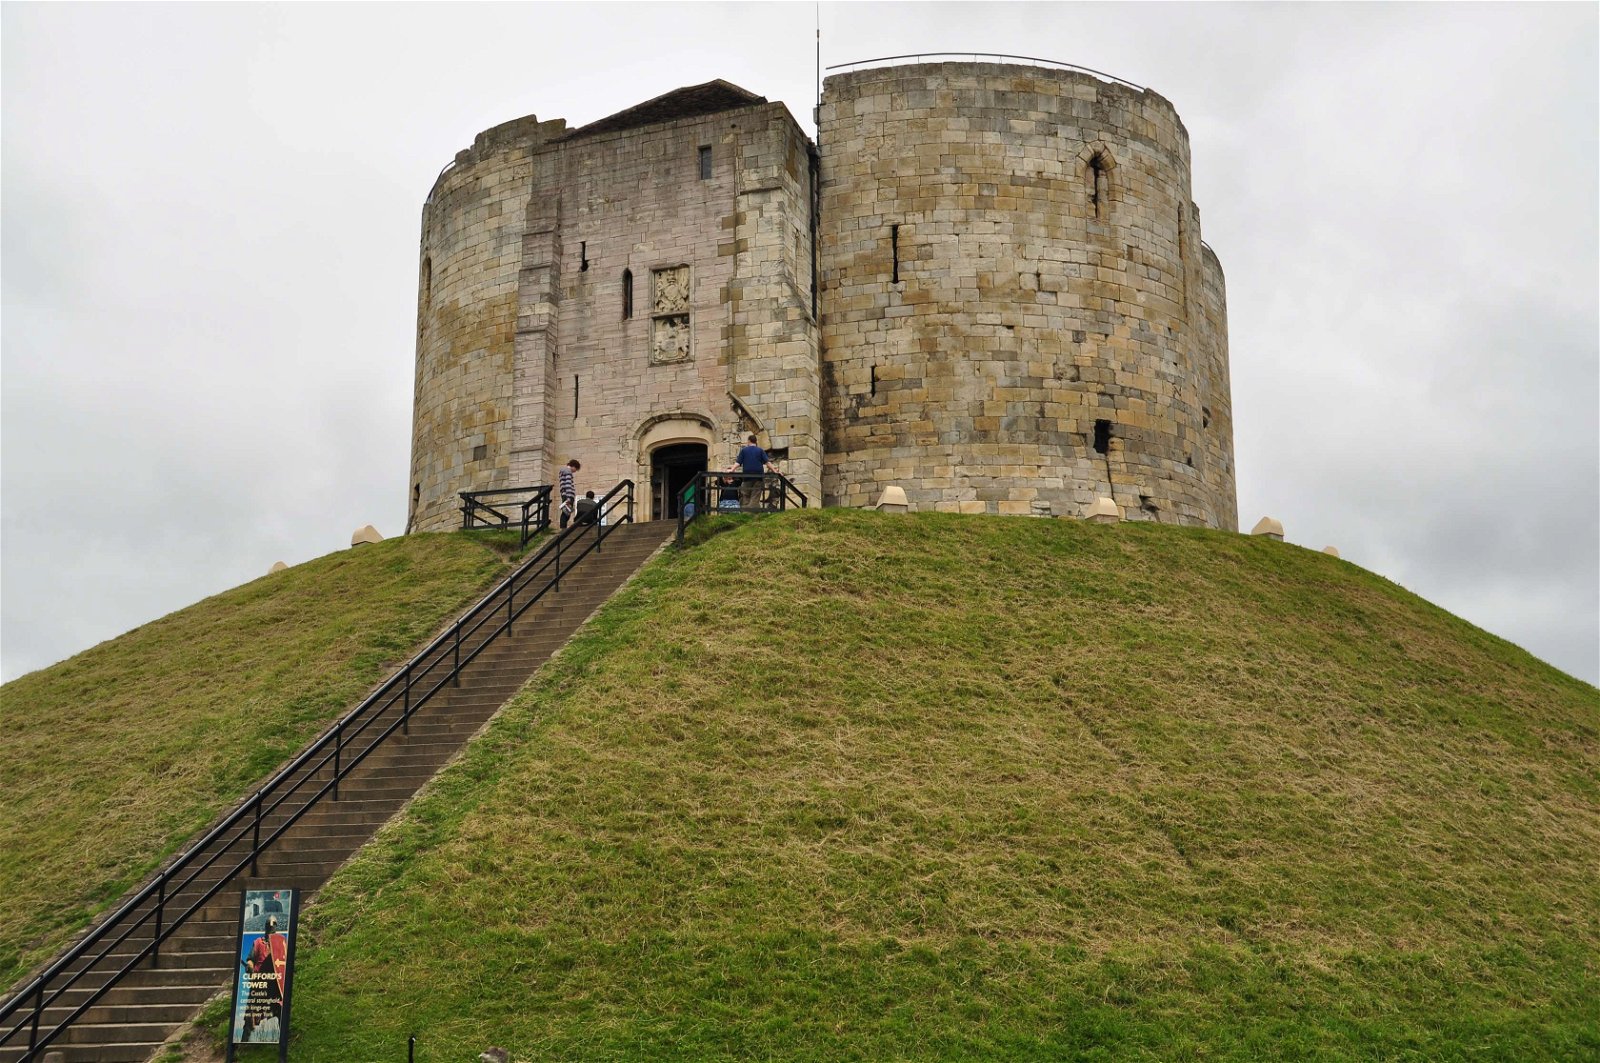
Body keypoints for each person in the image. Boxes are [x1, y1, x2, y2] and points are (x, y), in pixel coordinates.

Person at [240, 915, 287, 1041]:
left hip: (274, 984)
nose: (271, 927)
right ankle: (244, 1042)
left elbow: (284, 960)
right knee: (251, 1014)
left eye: (273, 925)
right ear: (266, 926)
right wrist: (249, 966)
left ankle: (284, 1039)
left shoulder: (281, 942)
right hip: (260, 982)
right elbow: (250, 959)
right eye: (269, 925)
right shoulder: (258, 942)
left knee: (280, 1009)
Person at [735, 434, 771, 510]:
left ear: (749, 441)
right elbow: (768, 463)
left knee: (745, 494)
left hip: (747, 476)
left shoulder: (744, 450)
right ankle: (753, 512)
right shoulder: (760, 450)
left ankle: (746, 512)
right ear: (756, 441)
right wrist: (775, 470)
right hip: (758, 476)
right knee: (756, 495)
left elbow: (738, 463)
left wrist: (731, 470)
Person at [557, 458, 581, 529]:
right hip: (568, 495)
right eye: (576, 469)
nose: (575, 471)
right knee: (566, 513)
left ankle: (563, 528)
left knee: (566, 512)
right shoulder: (568, 471)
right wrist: (568, 498)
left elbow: (563, 485)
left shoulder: (563, 471)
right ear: (573, 466)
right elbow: (568, 484)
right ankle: (563, 529)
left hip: (564, 494)